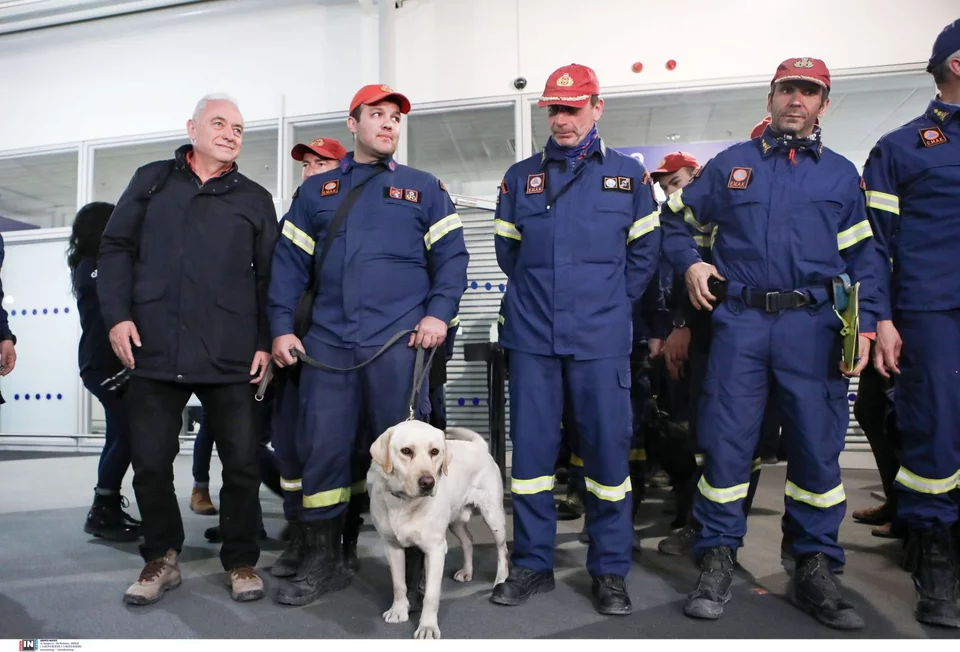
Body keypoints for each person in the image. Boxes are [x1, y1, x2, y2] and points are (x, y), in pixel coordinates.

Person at [661, 58, 884, 630]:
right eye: (788, 89)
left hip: (814, 326)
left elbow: (864, 258)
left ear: (823, 105)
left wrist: (867, 322)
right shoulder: (731, 166)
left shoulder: (840, 174)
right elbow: (674, 221)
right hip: (741, 324)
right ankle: (716, 556)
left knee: (817, 447)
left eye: (810, 93)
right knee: (729, 447)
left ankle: (813, 565)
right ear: (771, 97)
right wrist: (689, 264)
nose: (797, 101)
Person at [267, 83, 469, 608]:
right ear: (353, 123)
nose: (387, 124)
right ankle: (326, 559)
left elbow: (452, 259)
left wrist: (437, 314)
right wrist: (281, 327)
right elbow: (288, 267)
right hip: (328, 348)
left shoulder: (425, 189)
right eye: (376, 115)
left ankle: (422, 570)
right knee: (324, 455)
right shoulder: (316, 193)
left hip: (399, 345)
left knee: (413, 460)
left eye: (395, 118)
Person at [491, 63, 661, 616]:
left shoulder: (628, 178)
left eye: (574, 107)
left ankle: (610, 569)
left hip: (601, 341)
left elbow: (644, 256)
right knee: (533, 461)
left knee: (609, 462)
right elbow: (508, 253)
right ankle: (533, 564)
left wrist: (607, 303)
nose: (563, 119)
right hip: (534, 339)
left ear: (596, 107)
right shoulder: (520, 178)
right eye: (555, 110)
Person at [98, 93, 278, 606]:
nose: (230, 133)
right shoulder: (151, 181)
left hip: (231, 350)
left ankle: (241, 559)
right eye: (219, 123)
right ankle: (161, 557)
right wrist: (117, 316)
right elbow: (115, 249)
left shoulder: (254, 198)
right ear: (192, 128)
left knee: (242, 462)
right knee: (151, 461)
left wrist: (265, 340)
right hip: (153, 345)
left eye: (239, 129)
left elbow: (271, 277)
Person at [866, 19, 960, 628]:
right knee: (936, 435)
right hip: (933, 312)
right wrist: (881, 318)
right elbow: (873, 244)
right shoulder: (901, 147)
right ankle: (935, 562)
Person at [268, 136, 352, 579]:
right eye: (308, 163)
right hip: (288, 351)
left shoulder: (355, 212)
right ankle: (301, 540)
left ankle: (345, 544)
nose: (313, 169)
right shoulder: (289, 218)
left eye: (324, 162)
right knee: (292, 452)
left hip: (333, 352)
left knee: (342, 451)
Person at [67, 202, 141, 542]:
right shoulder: (92, 267)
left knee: (119, 434)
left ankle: (106, 507)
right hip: (103, 363)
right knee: (126, 435)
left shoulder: (96, 264)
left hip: (106, 361)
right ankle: (102, 508)